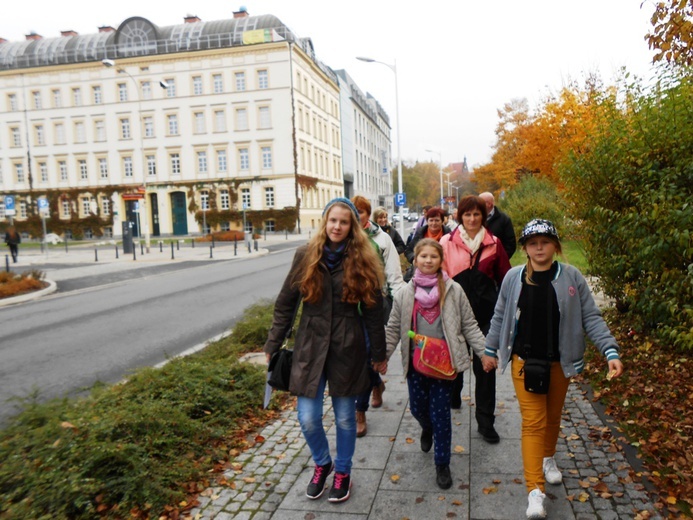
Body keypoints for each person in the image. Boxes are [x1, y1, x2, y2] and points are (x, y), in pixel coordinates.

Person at [483, 219, 624, 519]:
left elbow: (592, 317)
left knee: (553, 416)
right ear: (524, 248)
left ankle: (548, 457)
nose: (538, 247)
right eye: (532, 243)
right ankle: (535, 491)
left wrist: (610, 350)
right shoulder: (513, 278)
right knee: (533, 422)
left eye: (544, 242)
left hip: (561, 362)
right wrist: (489, 350)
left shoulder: (571, 277)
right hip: (524, 363)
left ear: (555, 246)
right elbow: (499, 316)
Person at [264, 197, 388, 503]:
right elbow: (285, 303)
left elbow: (373, 310)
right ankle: (322, 463)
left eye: (344, 222)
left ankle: (343, 472)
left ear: (352, 227)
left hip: (348, 343)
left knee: (346, 417)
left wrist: (379, 355)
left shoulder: (362, 258)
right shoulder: (306, 254)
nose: (337, 226)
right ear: (324, 221)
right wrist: (272, 343)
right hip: (310, 341)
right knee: (307, 417)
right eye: (333, 220)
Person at [384, 238, 486, 489]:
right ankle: (425, 427)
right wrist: (381, 357)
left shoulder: (454, 291)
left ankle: (442, 464)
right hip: (416, 365)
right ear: (415, 260)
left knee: (441, 415)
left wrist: (485, 353)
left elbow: (469, 324)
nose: (428, 260)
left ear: (441, 260)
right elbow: (394, 328)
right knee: (419, 409)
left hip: (444, 365)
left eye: (434, 256)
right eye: (423, 256)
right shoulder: (405, 294)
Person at [439, 195, 511, 443]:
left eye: (476, 214)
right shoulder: (447, 242)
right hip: (455, 315)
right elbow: (438, 279)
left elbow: (506, 279)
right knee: (454, 363)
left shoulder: (494, 244)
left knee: (486, 367)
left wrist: (509, 312)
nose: (472, 219)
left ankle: (485, 421)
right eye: (467, 214)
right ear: (460, 216)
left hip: (486, 317)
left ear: (483, 216)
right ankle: (454, 393)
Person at [352, 196, 406, 437]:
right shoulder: (342, 238)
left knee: (366, 357)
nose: (356, 216)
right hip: (348, 310)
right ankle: (376, 383)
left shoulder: (382, 239)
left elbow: (394, 274)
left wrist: (400, 305)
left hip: (374, 308)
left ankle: (359, 411)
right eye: (352, 212)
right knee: (357, 359)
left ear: (368, 214)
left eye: (360, 212)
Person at [479, 192, 517, 259]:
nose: (476, 205)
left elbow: (510, 244)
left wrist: (500, 260)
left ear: (489, 204)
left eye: (479, 202)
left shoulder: (504, 219)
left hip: (496, 263)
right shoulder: (475, 219)